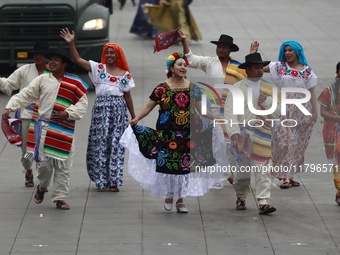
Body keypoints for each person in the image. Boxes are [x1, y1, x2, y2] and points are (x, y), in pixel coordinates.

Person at [120, 52, 228, 213]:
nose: (183, 67)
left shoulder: (193, 88)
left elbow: (200, 109)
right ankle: (169, 195)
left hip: (189, 134)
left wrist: (215, 117)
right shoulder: (162, 88)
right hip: (167, 134)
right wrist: (136, 119)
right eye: (180, 64)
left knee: (184, 166)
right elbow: (149, 106)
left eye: (185, 65)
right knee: (169, 165)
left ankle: (181, 200)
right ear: (171, 68)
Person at [2, 47, 89, 210]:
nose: (52, 62)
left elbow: (82, 105)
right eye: (51, 59)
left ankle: (60, 197)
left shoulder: (75, 83)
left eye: (57, 60)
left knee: (64, 165)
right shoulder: (42, 80)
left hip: (65, 128)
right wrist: (10, 107)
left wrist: (68, 113)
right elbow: (25, 95)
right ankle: (42, 187)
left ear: (64, 64)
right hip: (44, 128)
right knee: (44, 165)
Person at [60, 28, 136, 192]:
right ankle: (101, 180)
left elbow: (128, 97)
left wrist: (134, 117)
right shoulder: (98, 69)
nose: (109, 55)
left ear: (118, 56)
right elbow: (77, 59)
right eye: (107, 53)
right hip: (101, 111)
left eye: (112, 53)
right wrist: (71, 43)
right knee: (100, 143)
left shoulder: (125, 75)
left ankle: (114, 181)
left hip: (119, 111)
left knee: (116, 144)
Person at [224, 53, 279, 214]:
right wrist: (233, 132)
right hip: (243, 133)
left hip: (264, 134)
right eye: (256, 67)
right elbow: (229, 112)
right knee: (243, 172)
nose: (260, 70)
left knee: (263, 169)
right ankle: (241, 196)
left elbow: (279, 113)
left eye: (261, 67)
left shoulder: (270, 88)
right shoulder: (237, 88)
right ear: (247, 70)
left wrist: (266, 101)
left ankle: (264, 201)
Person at [264, 40, 318, 189]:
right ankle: (284, 174)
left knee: (298, 145)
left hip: (302, 111)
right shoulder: (280, 67)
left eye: (290, 50)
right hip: (284, 110)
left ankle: (288, 176)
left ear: (297, 52)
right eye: (285, 50)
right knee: (284, 143)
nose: (287, 53)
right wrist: (253, 54)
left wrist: (315, 111)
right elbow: (258, 68)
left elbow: (311, 91)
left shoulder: (307, 71)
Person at [0, 41, 50, 188]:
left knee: (44, 150)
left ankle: (42, 179)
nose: (38, 57)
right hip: (27, 115)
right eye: (36, 54)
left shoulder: (52, 72)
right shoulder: (25, 70)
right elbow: (9, 85)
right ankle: (28, 169)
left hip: (46, 116)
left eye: (41, 54)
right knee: (26, 150)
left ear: (46, 56)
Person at [318, 62, 340, 206]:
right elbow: (323, 112)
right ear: (337, 73)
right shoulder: (329, 91)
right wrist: (337, 118)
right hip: (333, 130)